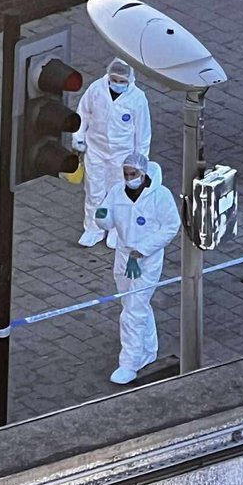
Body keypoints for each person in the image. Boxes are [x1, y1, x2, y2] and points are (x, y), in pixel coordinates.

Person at [95, 151, 180, 385]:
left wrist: (141, 250)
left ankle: (130, 362)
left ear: (143, 174)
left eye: (133, 174)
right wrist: (101, 217)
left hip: (147, 260)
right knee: (133, 304)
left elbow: (171, 227)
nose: (129, 178)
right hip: (123, 256)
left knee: (133, 311)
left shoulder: (160, 196)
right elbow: (108, 218)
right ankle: (148, 349)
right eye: (126, 174)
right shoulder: (116, 192)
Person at [72, 58, 152, 248]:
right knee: (94, 191)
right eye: (114, 79)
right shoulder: (96, 89)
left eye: (121, 81)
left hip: (122, 155)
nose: (117, 84)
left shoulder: (137, 99)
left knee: (120, 193)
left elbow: (143, 133)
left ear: (130, 80)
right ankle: (93, 228)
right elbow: (83, 113)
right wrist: (78, 137)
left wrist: (140, 161)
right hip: (96, 150)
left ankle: (117, 230)